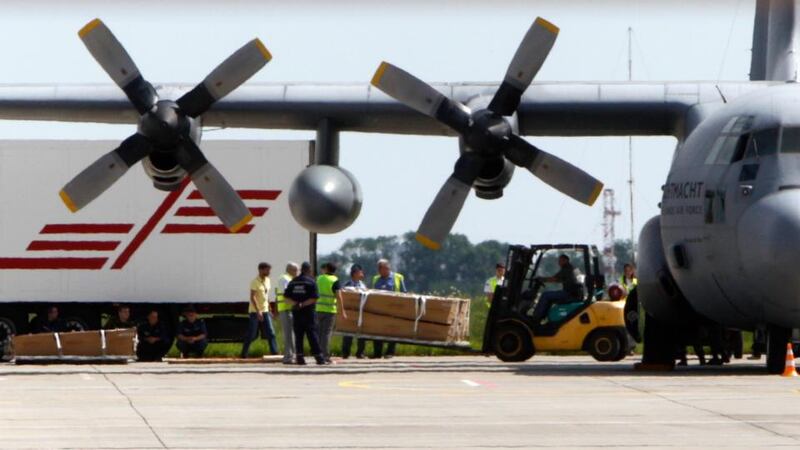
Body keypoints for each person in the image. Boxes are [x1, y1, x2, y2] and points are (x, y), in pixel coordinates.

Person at [283, 261, 325, 365]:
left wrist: (296, 304)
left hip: (297, 313)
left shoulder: (293, 281)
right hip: (308, 313)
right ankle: (319, 358)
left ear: (301, 270)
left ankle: (300, 358)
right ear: (309, 270)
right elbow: (314, 298)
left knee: (298, 335)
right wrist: (303, 304)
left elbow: (286, 298)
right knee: (312, 335)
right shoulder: (311, 282)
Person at [532, 254, 586, 323]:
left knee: (545, 295)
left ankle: (535, 318)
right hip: (577, 294)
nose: (559, 263)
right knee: (550, 297)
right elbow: (560, 280)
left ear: (566, 260)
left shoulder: (567, 268)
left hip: (570, 294)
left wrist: (541, 279)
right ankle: (543, 317)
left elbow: (554, 279)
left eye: (560, 261)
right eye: (559, 261)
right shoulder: (575, 269)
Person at [241, 262, 279, 358]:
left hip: (266, 311)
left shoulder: (268, 280)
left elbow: (266, 296)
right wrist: (258, 311)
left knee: (271, 332)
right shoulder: (254, 282)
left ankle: (274, 353)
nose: (269, 272)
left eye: (269, 270)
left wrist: (270, 309)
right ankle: (244, 354)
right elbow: (253, 297)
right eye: (267, 270)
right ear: (260, 270)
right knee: (252, 334)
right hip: (255, 312)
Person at [371, 258, 407, 359]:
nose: (379, 271)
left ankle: (390, 352)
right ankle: (377, 353)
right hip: (379, 310)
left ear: (387, 268)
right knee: (377, 331)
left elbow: (404, 293)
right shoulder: (376, 279)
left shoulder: (398, 277)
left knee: (393, 330)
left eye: (381, 269)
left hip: (394, 309)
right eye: (378, 269)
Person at [316, 262, 346, 364]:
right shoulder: (335, 280)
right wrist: (342, 311)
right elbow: (339, 296)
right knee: (326, 334)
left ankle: (318, 355)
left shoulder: (319, 278)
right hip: (329, 311)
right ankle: (325, 356)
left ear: (326, 269)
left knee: (319, 333)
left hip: (318, 309)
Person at [341, 264, 368, 359]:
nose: (362, 273)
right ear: (355, 273)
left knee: (362, 333)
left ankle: (360, 352)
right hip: (350, 311)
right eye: (360, 272)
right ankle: (345, 353)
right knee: (348, 333)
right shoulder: (347, 285)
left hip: (361, 312)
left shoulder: (363, 285)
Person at [276, 262, 299, 364]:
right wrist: (296, 302)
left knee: (291, 334)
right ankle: (288, 357)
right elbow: (286, 295)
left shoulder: (289, 279)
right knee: (288, 334)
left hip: (289, 309)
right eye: (296, 270)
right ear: (291, 270)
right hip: (286, 309)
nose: (298, 272)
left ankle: (291, 356)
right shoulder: (285, 279)